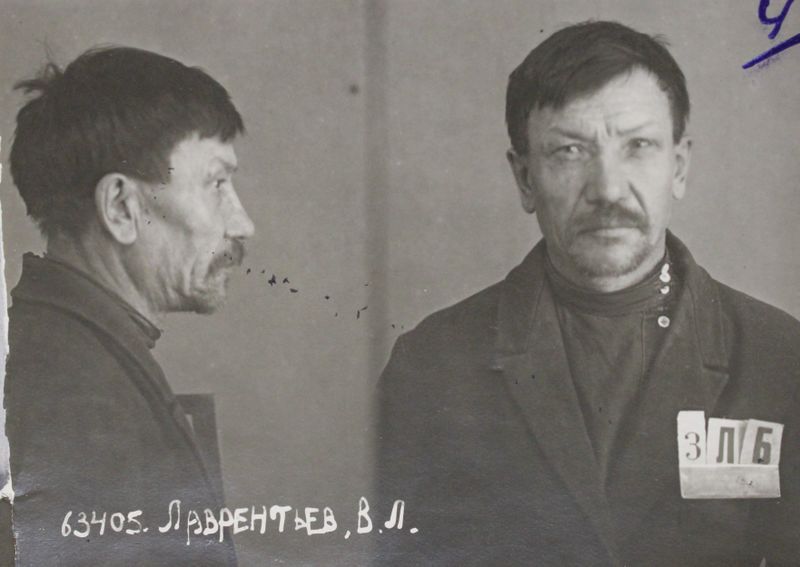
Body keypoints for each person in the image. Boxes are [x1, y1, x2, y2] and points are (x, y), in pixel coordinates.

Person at [376, 21, 800, 566]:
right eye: (570, 151)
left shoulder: (779, 361)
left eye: (638, 146)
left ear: (678, 167)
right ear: (525, 179)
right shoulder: (431, 367)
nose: (608, 189)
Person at [5, 46, 254, 566]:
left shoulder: (67, 355)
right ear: (121, 207)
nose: (242, 224)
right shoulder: (73, 394)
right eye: (216, 184)